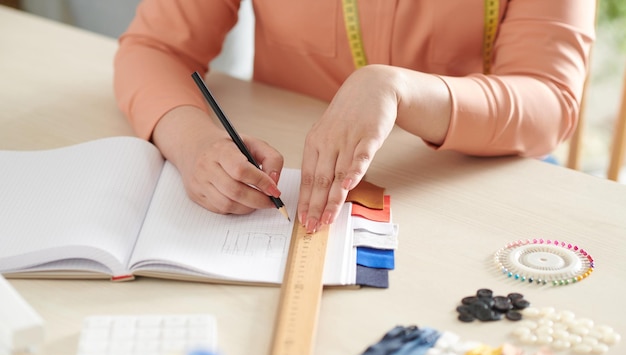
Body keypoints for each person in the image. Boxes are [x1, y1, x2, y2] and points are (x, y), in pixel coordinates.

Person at [114, 0, 596, 233]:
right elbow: (154, 48)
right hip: (298, 177)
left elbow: (549, 100)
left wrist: (401, 90)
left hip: (471, 179)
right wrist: (192, 140)